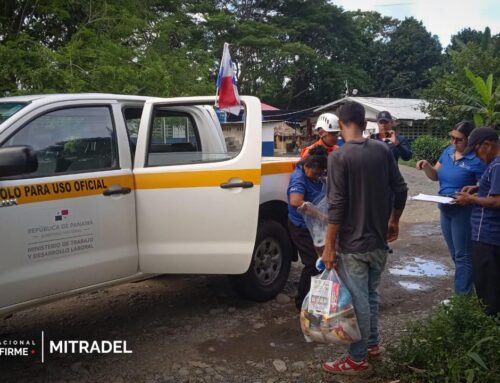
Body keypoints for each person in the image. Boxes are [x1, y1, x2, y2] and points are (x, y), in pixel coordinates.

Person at [321, 101, 408, 375]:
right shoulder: (382, 150)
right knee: (369, 295)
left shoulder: (339, 157)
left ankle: (357, 360)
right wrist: (394, 220)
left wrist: (329, 246)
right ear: (363, 121)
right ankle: (372, 345)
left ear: (342, 122)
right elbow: (401, 188)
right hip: (378, 241)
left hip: (354, 245)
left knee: (359, 300)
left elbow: (336, 205)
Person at [416, 121, 486, 294]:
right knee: (456, 254)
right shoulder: (447, 153)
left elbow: (486, 189)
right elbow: (435, 176)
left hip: (463, 211)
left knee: (464, 255)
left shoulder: (476, 160)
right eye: (452, 138)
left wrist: (470, 197)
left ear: (469, 141)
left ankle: (462, 298)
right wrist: (426, 166)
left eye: (458, 139)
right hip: (445, 207)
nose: (453, 143)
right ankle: (470, 290)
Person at [454, 127, 500, 315]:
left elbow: (497, 200)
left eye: (476, 151)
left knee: (488, 291)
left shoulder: (497, 165)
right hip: (491, 238)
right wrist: (478, 188)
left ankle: (489, 335)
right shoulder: (495, 165)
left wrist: (471, 200)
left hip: (488, 238)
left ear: (487, 145)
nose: (477, 156)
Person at [287, 145, 329, 311]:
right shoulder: (299, 178)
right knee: (312, 263)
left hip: (314, 228)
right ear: (306, 167)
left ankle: (317, 296)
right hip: (300, 227)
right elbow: (296, 201)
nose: (318, 176)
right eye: (315, 173)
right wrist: (321, 216)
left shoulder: (316, 176)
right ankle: (301, 303)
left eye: (321, 173)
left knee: (324, 260)